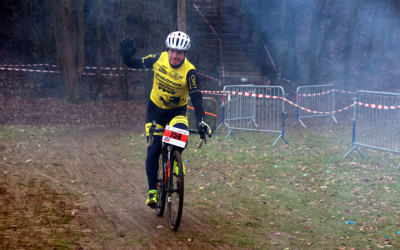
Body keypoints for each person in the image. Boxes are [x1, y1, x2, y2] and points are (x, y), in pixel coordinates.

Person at [120, 31, 212, 207]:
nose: (175, 56)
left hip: (176, 112)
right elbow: (135, 63)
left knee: (181, 134)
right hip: (155, 111)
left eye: (179, 53)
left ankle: (177, 160)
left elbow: (197, 98)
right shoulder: (158, 58)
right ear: (167, 50)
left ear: (185, 54)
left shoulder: (190, 72)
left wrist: (200, 120)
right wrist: (126, 57)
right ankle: (153, 191)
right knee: (153, 149)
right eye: (172, 51)